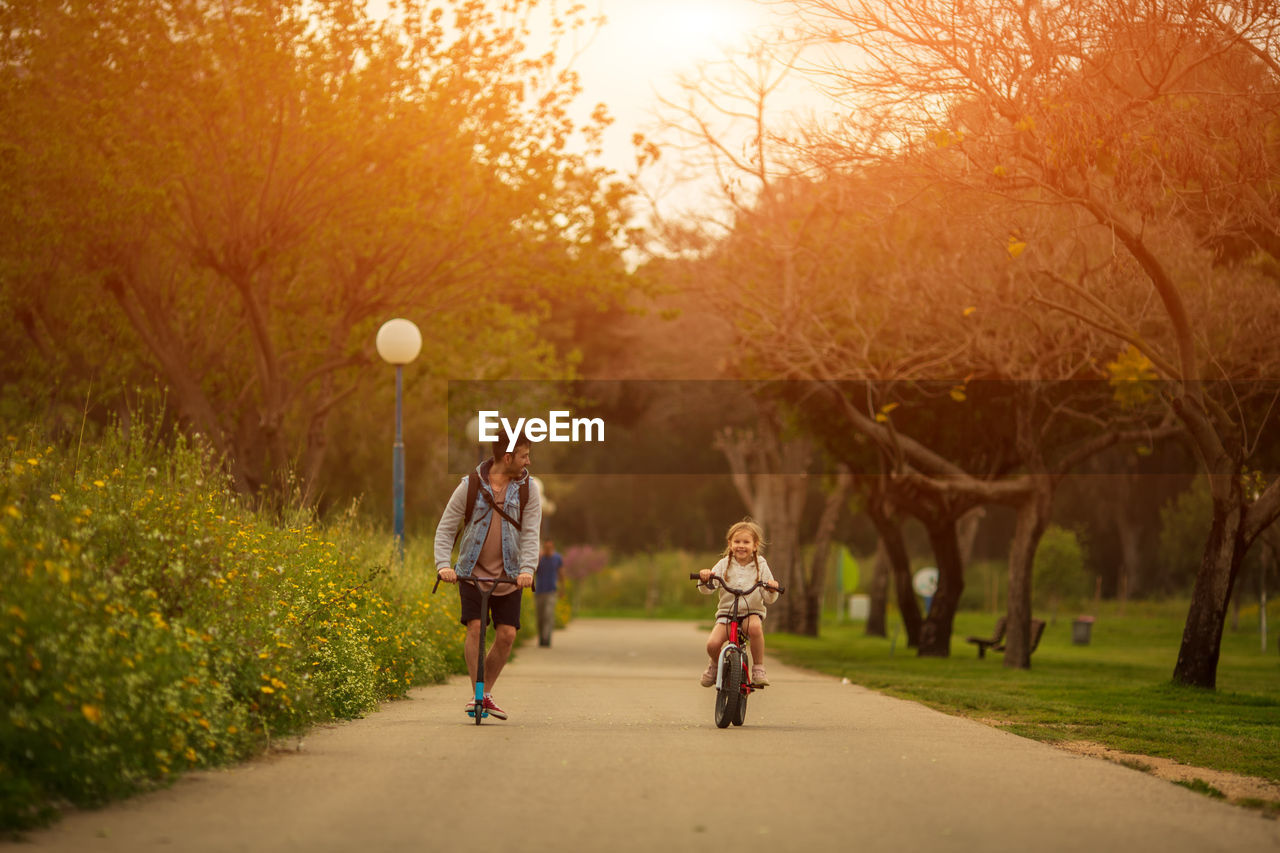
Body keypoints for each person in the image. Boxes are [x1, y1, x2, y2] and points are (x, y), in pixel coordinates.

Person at [434, 431, 541, 721]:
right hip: (471, 572)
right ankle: (478, 694)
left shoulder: (528, 490)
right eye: (524, 455)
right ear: (507, 458)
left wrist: (527, 570)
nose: (528, 460)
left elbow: (531, 534)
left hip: (509, 574)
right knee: (476, 628)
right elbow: (445, 528)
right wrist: (443, 565)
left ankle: (484, 694)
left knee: (506, 635)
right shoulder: (469, 486)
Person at [697, 520, 779, 687]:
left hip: (751, 612)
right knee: (712, 644)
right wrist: (706, 578)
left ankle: (758, 667)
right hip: (727, 613)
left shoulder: (761, 564)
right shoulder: (723, 564)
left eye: (746, 542)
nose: (741, 546)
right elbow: (709, 588)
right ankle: (714, 664)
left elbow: (768, 596)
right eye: (737, 542)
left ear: (755, 546)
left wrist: (771, 588)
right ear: (730, 544)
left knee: (755, 628)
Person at [535, 539, 563, 647]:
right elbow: (534, 571)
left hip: (552, 591)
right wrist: (538, 558)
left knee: (548, 615)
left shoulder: (557, 558)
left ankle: (547, 638)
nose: (547, 550)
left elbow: (561, 574)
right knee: (540, 617)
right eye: (546, 548)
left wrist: (562, 589)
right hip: (539, 591)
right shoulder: (540, 558)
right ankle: (541, 637)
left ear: (552, 547)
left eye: (549, 548)